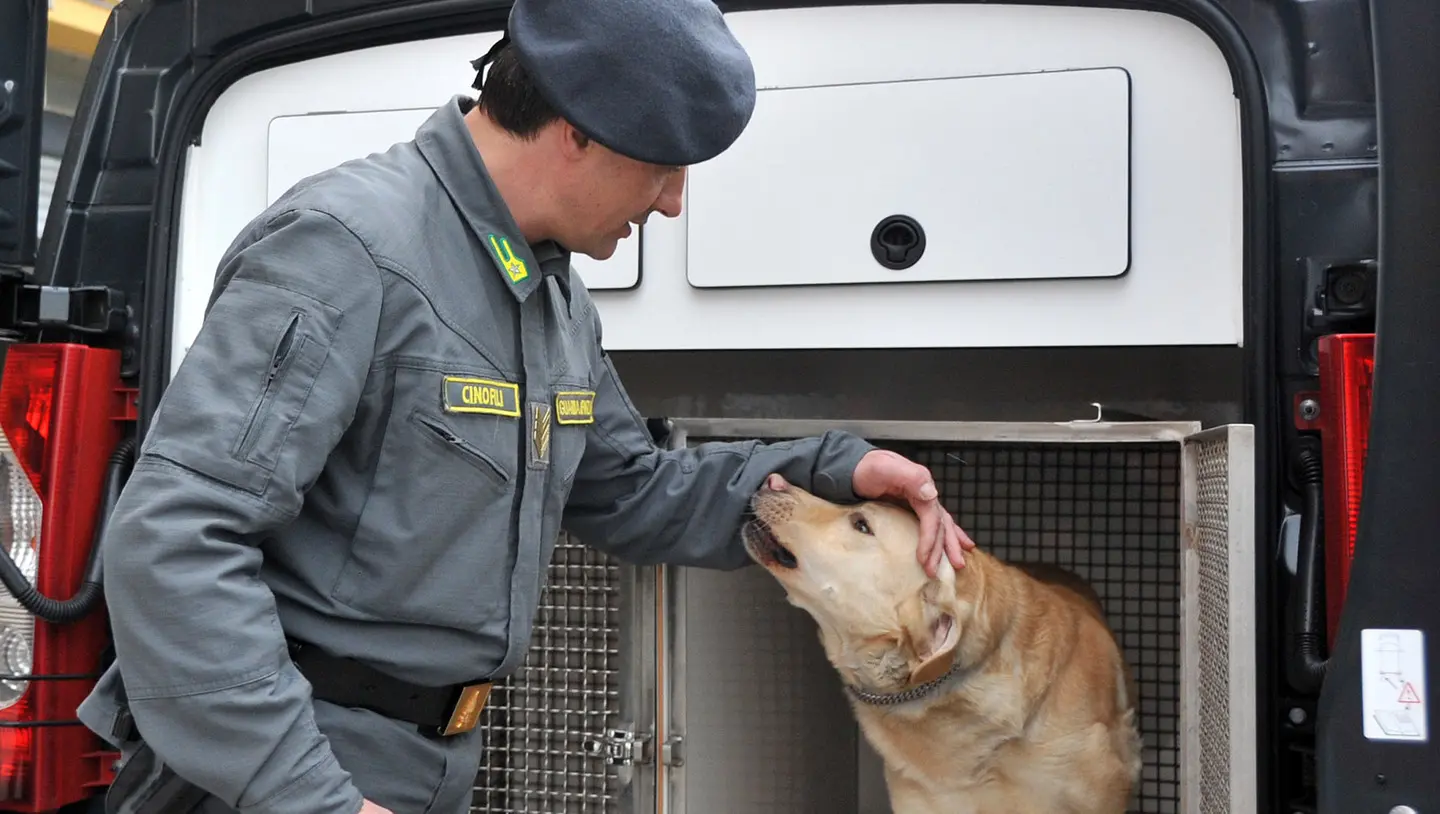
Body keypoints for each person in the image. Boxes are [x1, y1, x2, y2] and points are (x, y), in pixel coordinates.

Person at [78, 0, 974, 812]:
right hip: (286, 775)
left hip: (418, 770)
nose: (671, 204)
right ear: (577, 131)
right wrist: (314, 799)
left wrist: (834, 470)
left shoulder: (548, 299)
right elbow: (174, 541)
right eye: (662, 168)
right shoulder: (350, 249)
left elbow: (629, 489)